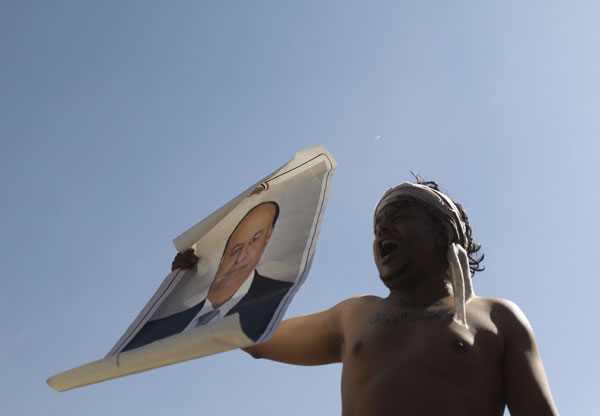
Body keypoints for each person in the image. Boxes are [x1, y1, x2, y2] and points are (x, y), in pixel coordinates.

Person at [121, 201, 292, 351]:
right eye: (236, 249)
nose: (241, 257)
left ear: (269, 236)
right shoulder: (170, 318)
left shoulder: (275, 293)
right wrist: (183, 281)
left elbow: (259, 342)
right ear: (221, 256)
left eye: (255, 240)